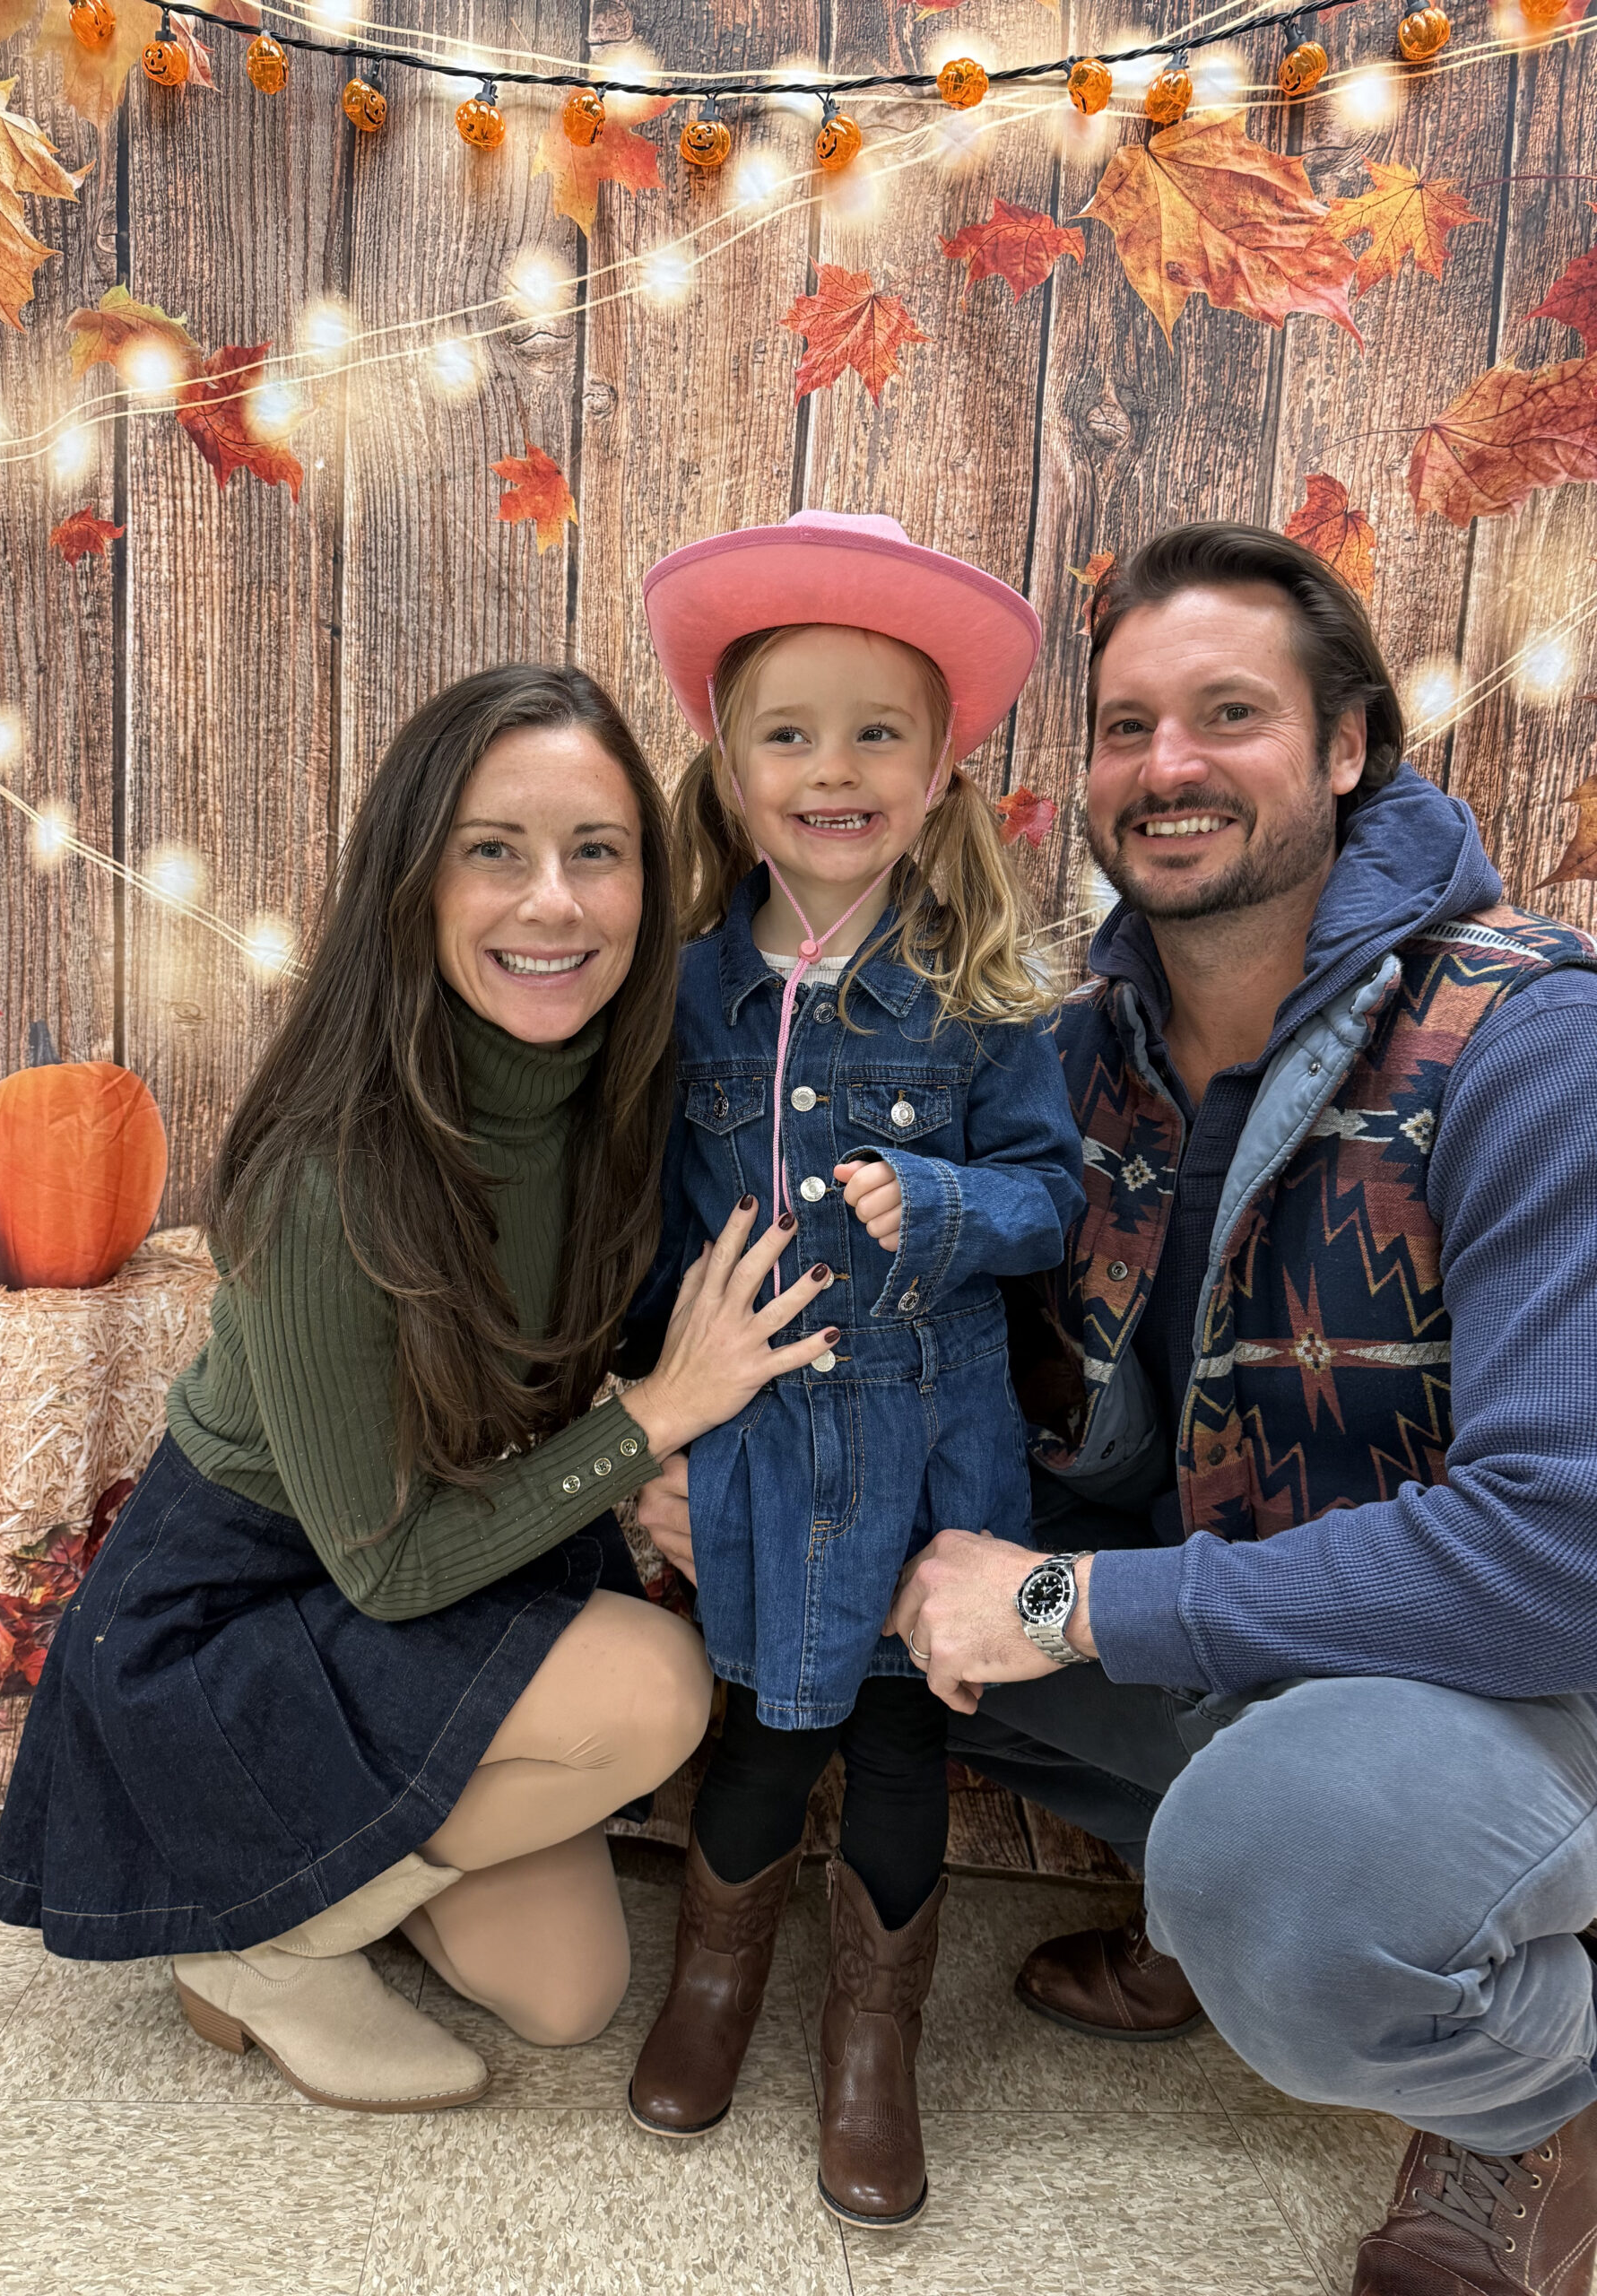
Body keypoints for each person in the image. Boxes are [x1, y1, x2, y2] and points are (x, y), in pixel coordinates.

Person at [872, 523, 1597, 2296]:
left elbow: (1563, 1555)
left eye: (1228, 714)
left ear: (1349, 746)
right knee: (818, 1605)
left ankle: (1541, 2086)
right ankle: (1229, 1870)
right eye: (1126, 727)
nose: (1167, 766)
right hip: (1265, 1625)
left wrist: (1067, 1605)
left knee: (1293, 1874)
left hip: (1527, 1674)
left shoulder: (1524, 1043)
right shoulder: (1078, 1050)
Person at [0, 665, 844, 2115]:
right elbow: (385, 1569)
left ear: (651, 880)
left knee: (564, 1995)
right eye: (492, 852)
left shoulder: (623, 1098)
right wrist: (648, 1428)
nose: (552, 904)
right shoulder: (331, 1171)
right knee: (652, 1685)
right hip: (242, 1616)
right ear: (416, 880)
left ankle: (303, 1895)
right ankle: (269, 1943)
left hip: (451, 1561)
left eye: (597, 852)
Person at [622, 510, 1084, 2229]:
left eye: (877, 731)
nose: (834, 770)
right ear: (730, 768)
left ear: (944, 765)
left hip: (933, 1433)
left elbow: (1054, 1201)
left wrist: (947, 1202)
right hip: (751, 1439)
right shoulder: (681, 998)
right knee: (754, 1724)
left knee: (897, 1735)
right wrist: (645, 1430)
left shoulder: (985, 998)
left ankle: (872, 2036)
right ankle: (716, 1980)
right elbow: (646, 1235)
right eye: (789, 734)